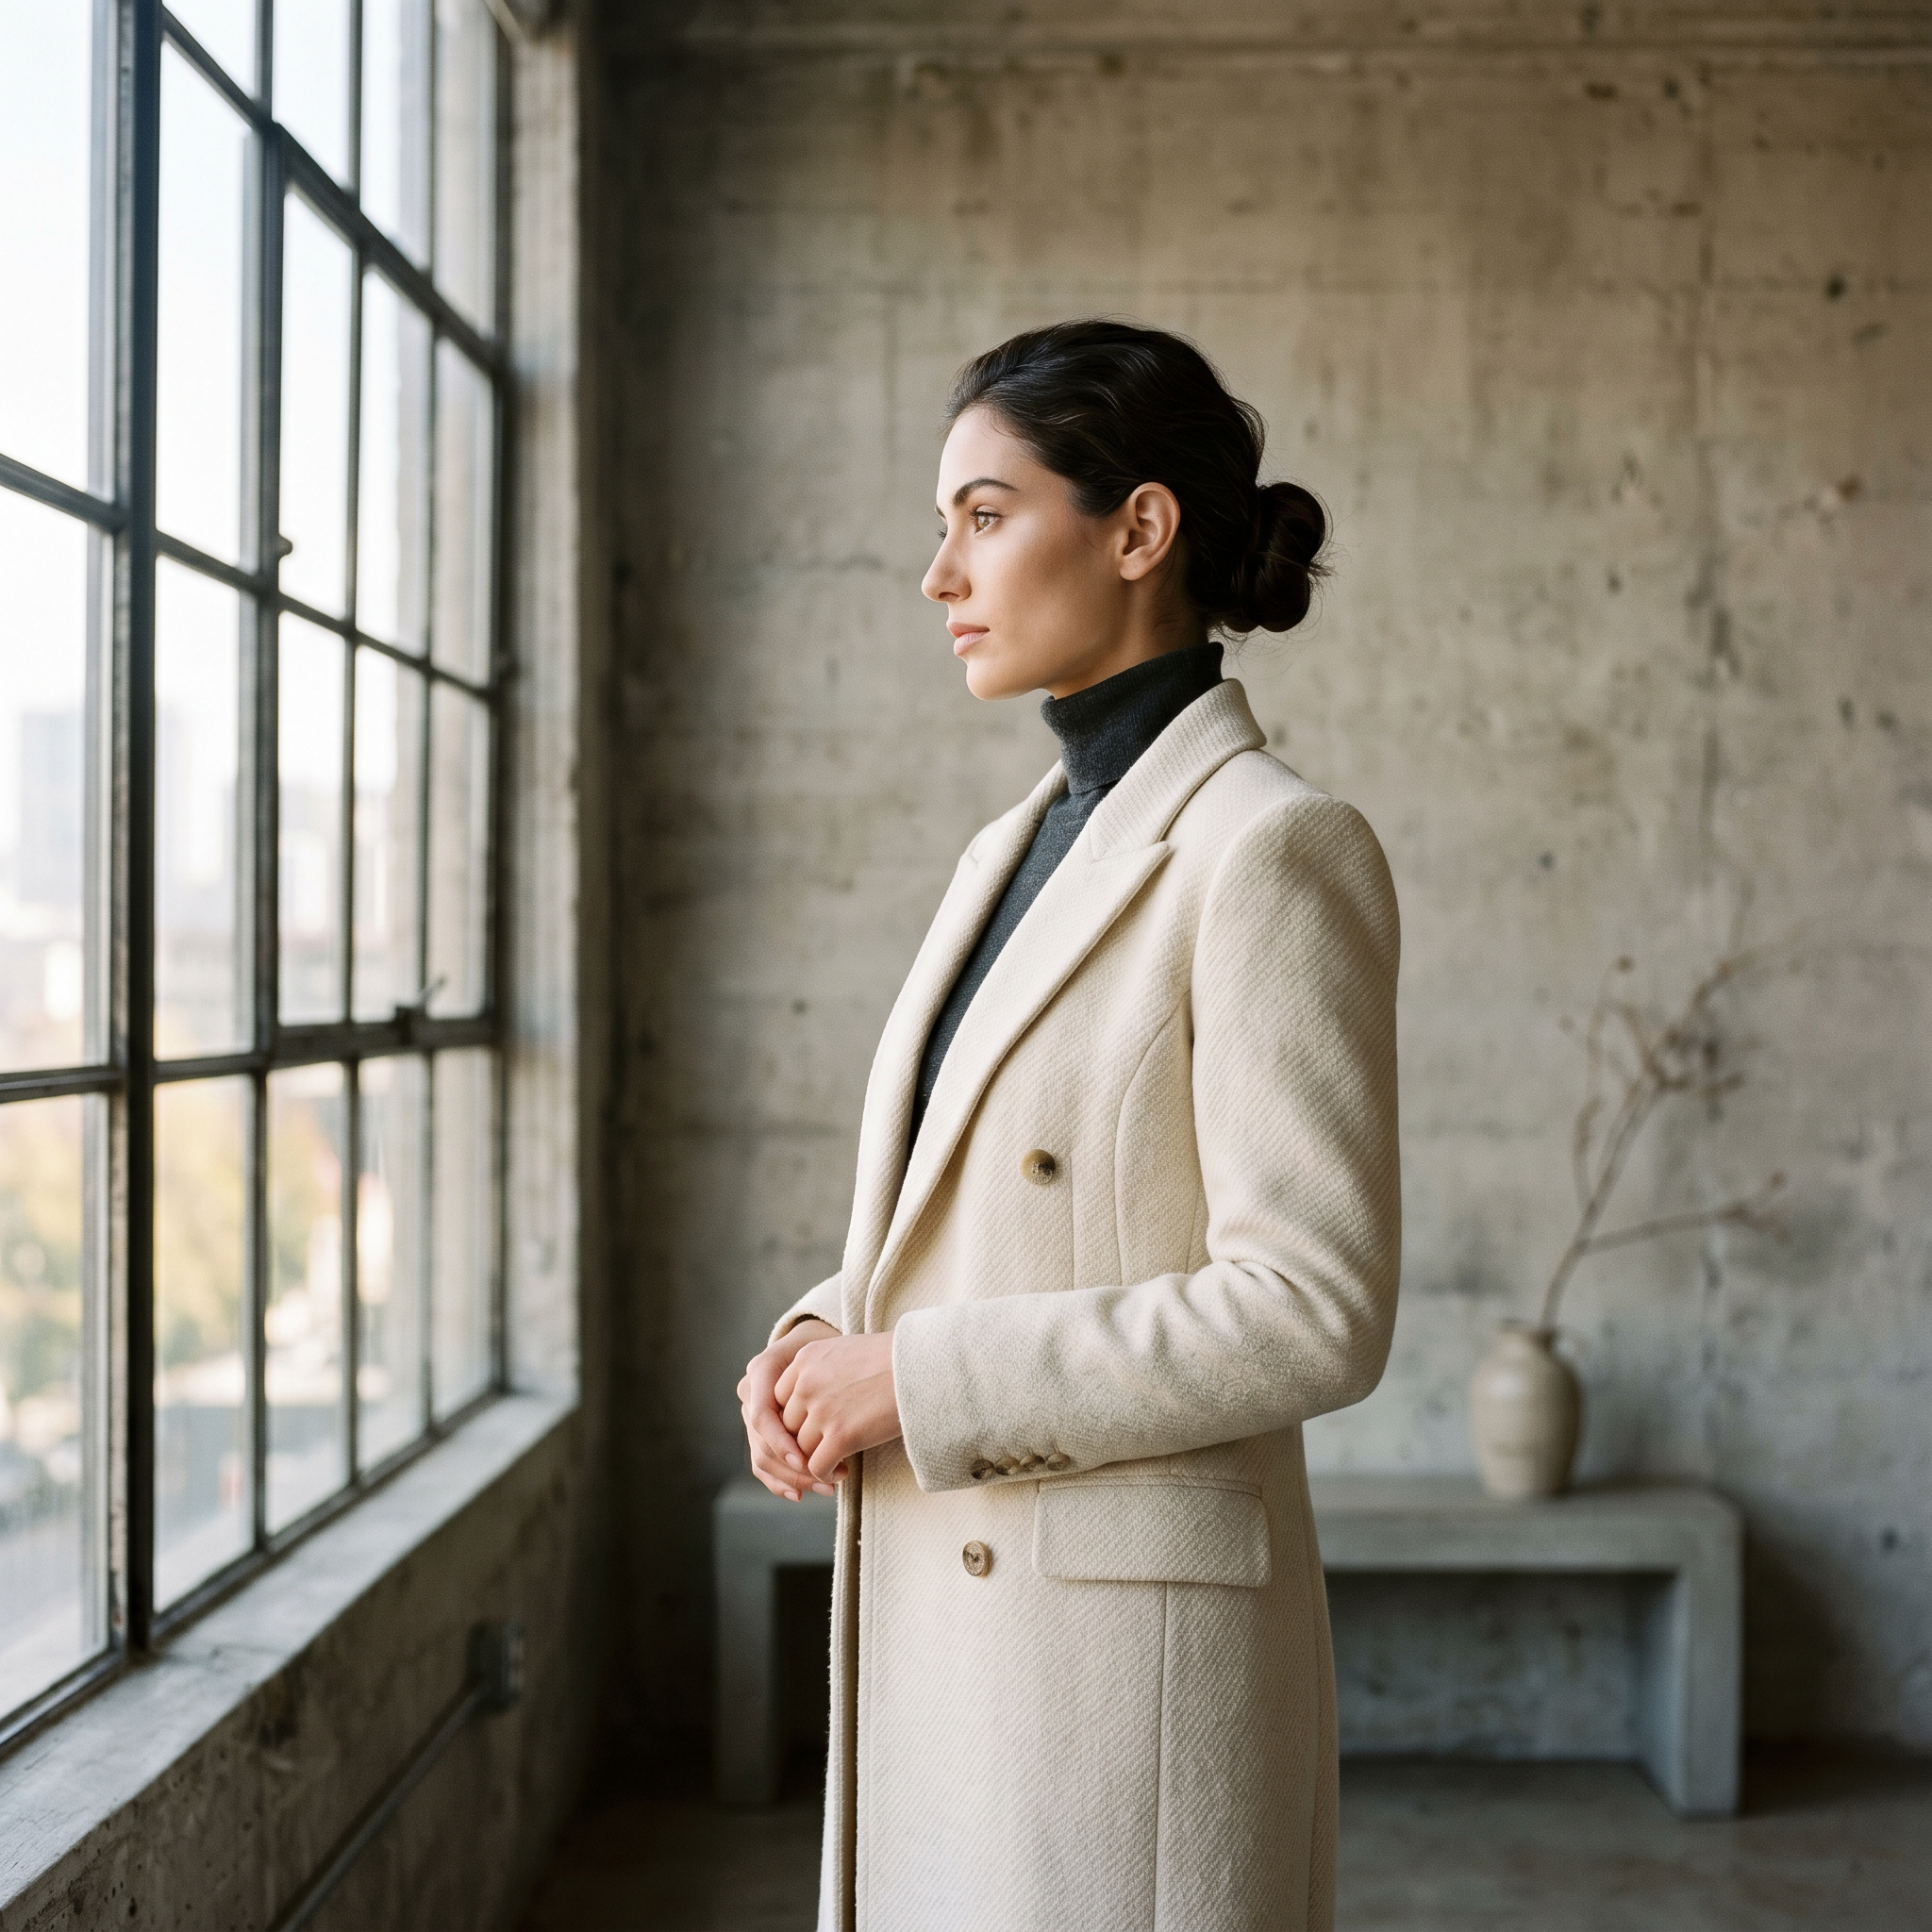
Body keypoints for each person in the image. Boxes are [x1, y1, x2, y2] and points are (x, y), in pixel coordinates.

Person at [737, 319, 1401, 1932]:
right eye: (943, 524)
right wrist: (820, 1343)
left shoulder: (1272, 849)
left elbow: (1314, 1309)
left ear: (1138, 528)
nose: (938, 574)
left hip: (1119, 1692)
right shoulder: (1016, 845)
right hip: (959, 1625)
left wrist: (914, 1382)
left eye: (984, 514)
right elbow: (971, 1203)